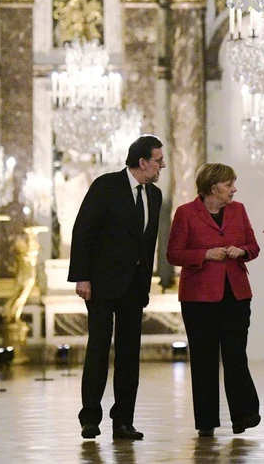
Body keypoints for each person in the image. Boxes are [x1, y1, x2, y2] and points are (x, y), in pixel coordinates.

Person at [68, 135, 165, 440]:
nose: (162, 166)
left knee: (129, 354)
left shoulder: (155, 195)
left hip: (134, 286)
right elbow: (83, 231)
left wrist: (146, 283)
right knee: (98, 348)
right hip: (100, 284)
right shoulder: (106, 186)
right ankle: (89, 418)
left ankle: (123, 421)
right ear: (142, 162)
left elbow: (147, 244)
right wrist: (81, 277)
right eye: (158, 160)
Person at [166, 163, 261, 438]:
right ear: (212, 187)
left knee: (235, 355)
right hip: (198, 298)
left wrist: (241, 251)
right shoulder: (185, 213)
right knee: (204, 359)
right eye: (229, 184)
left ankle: (244, 415)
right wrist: (205, 254)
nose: (234, 189)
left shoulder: (238, 210)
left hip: (236, 295)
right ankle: (206, 421)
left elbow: (253, 247)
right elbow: (173, 254)